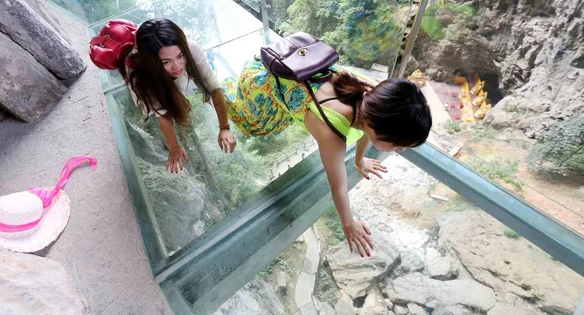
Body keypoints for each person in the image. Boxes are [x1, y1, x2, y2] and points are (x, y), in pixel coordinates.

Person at [223, 57, 432, 257]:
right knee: (252, 124)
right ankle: (214, 90)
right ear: (376, 127)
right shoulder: (332, 131)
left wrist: (359, 161)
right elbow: (337, 185)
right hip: (260, 87)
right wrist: (349, 224)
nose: (401, 149)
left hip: (288, 72)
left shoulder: (375, 96)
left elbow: (365, 129)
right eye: (399, 144)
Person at [118, 18, 237, 173]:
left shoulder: (191, 48)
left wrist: (225, 127)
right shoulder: (139, 75)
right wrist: (174, 146)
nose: (177, 66)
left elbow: (213, 88)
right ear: (153, 63)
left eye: (180, 56)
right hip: (149, 75)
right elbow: (162, 113)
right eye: (166, 61)